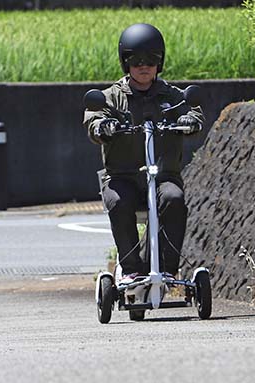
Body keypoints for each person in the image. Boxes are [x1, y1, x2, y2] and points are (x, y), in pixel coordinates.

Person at [84, 23, 204, 284]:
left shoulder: (171, 96)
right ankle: (131, 269)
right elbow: (93, 120)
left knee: (174, 199)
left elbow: (191, 110)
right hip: (123, 176)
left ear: (159, 62)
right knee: (118, 201)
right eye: (136, 60)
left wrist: (191, 121)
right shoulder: (111, 97)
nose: (143, 66)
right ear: (125, 62)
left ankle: (168, 269)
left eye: (151, 60)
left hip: (163, 176)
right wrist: (103, 126)